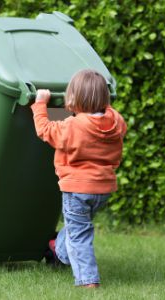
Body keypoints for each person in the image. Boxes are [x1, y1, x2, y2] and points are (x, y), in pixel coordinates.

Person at [31, 69, 127, 288]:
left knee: (80, 235)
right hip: (103, 189)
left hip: (77, 189)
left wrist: (40, 103)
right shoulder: (116, 121)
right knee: (78, 227)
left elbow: (44, 129)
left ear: (75, 98)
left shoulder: (74, 126)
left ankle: (87, 281)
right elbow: (107, 112)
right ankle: (58, 249)